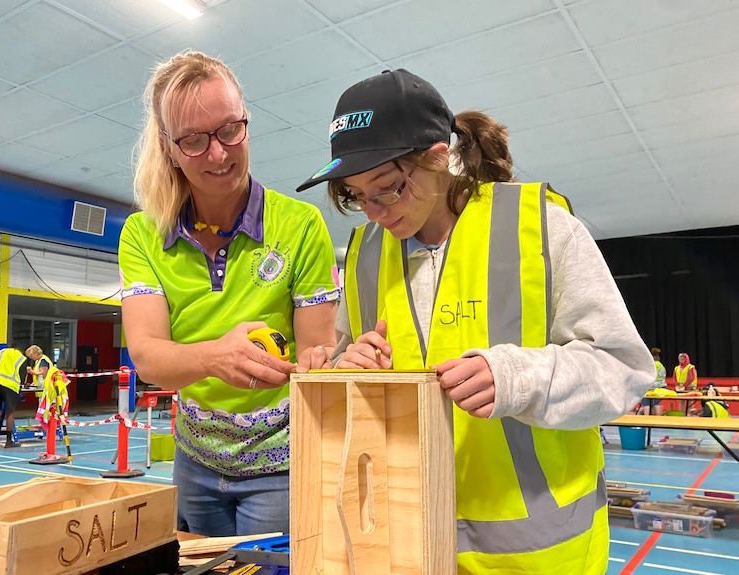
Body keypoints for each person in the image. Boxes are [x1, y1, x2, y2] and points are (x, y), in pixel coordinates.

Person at [296, 69, 654, 574]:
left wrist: (517, 378)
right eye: (356, 196)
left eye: (388, 189)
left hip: (540, 556)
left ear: (438, 159)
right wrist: (347, 367)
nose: (374, 213)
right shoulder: (362, 257)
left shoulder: (541, 227)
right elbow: (350, 364)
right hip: (411, 546)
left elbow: (624, 368)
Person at [118, 51, 339, 536]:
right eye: (194, 141)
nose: (218, 154)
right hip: (193, 461)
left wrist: (335, 361)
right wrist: (215, 357)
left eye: (230, 131)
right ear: (168, 146)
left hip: (282, 467)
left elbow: (318, 351)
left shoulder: (301, 226)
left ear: (246, 123)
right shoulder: (142, 234)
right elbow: (148, 355)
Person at [0, 346, 27, 449]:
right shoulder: (21, 358)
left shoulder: (1, 352)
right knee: (10, 412)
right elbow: (22, 376)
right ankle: (8, 441)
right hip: (10, 386)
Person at [639, 347, 668, 415]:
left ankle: (646, 420)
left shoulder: (651, 365)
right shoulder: (661, 366)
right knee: (656, 403)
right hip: (662, 387)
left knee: (646, 401)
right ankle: (657, 420)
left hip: (652, 386)